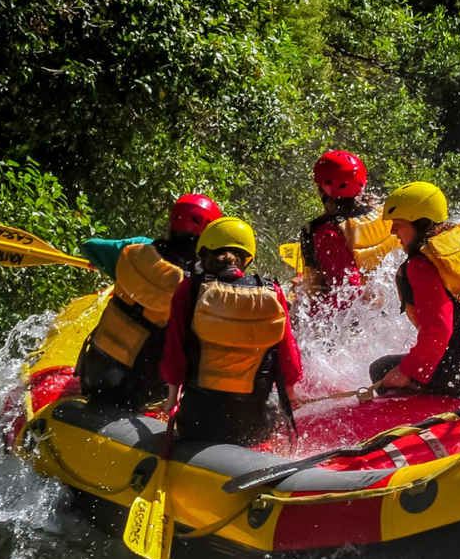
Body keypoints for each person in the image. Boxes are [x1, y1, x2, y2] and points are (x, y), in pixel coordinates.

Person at [159, 217, 304, 447]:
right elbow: (289, 363)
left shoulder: (190, 288)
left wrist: (171, 399)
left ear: (204, 253)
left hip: (196, 422)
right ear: (247, 258)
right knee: (271, 416)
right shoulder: (272, 291)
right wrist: (292, 395)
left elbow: (173, 357)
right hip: (252, 426)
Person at [71, 193, 223, 408]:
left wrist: (107, 264)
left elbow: (90, 245)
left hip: (92, 375)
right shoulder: (197, 286)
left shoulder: (134, 250)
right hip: (137, 393)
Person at [369, 181, 460, 396]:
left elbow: (439, 330)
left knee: (381, 369)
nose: (393, 231)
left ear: (420, 223)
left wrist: (406, 370)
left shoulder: (421, 265)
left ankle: (426, 417)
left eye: (398, 224)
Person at [296, 150, 399, 304]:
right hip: (388, 305)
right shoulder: (385, 213)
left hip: (352, 317)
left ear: (322, 189)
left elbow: (347, 290)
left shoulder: (325, 231)